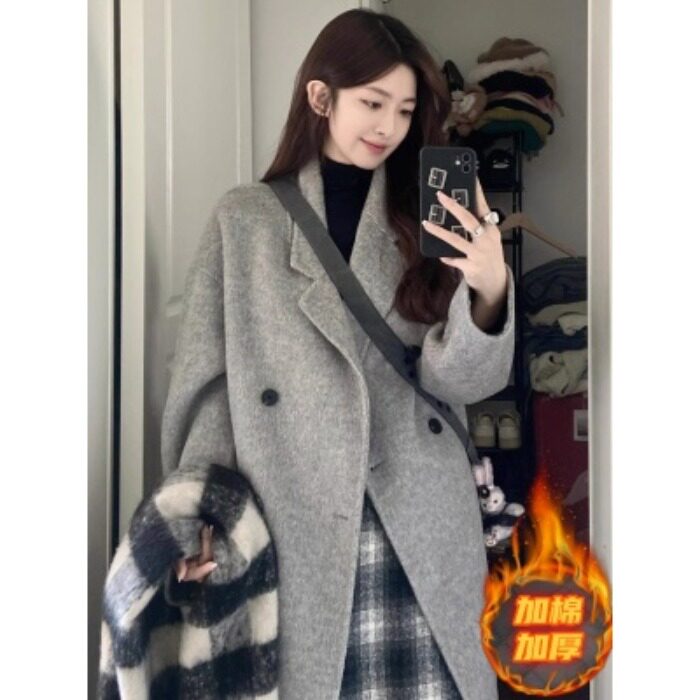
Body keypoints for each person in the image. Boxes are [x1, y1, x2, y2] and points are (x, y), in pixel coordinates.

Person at [165, 8, 514, 699]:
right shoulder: (246, 221)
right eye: (373, 103)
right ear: (321, 97)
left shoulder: (422, 216)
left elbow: (458, 382)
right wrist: (200, 516)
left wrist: (489, 287)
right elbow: (209, 389)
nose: (389, 127)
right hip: (297, 512)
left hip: (419, 512)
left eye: (406, 110)